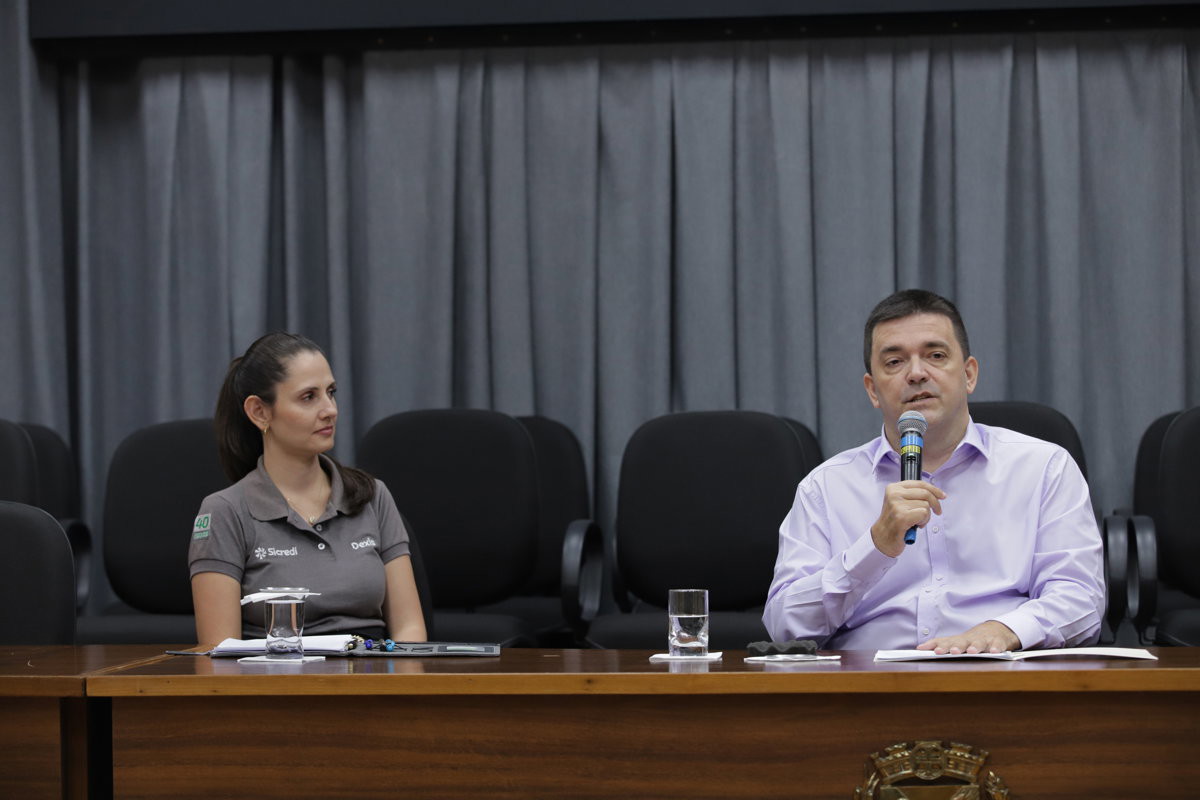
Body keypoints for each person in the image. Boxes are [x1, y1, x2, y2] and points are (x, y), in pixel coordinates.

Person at [763, 290, 1104, 653]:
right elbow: (784, 628)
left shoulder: (1043, 467)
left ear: (969, 375)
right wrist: (874, 547)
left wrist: (1005, 630)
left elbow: (1082, 599)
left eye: (936, 356)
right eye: (894, 362)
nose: (916, 373)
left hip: (999, 681)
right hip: (868, 689)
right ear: (872, 390)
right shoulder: (826, 487)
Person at [189, 332, 427, 646]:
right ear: (260, 412)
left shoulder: (373, 495)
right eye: (308, 397)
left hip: (371, 681)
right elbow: (218, 653)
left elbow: (410, 630)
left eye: (331, 392)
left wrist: (401, 692)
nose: (330, 409)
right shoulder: (224, 511)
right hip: (273, 685)